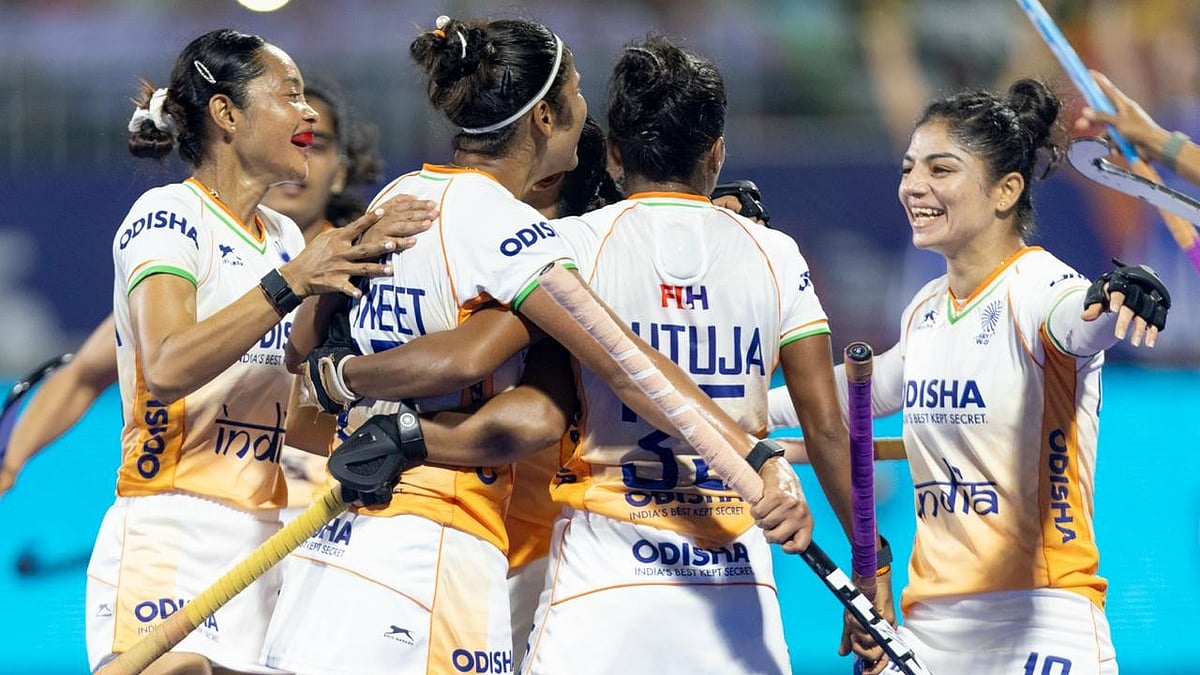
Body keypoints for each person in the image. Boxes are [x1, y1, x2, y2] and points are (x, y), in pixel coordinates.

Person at [263, 16, 812, 675]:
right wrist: (753, 456)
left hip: (341, 546)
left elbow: (304, 344)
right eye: (578, 93)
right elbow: (623, 362)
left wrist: (341, 376)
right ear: (545, 118)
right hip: (433, 555)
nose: (588, 111)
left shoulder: (400, 194)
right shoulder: (508, 227)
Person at [514, 34, 886, 675]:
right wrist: (869, 562)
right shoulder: (775, 253)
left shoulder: (565, 247)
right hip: (734, 591)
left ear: (611, 155)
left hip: (602, 586)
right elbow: (826, 426)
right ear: (716, 152)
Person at [773, 78, 1170, 674]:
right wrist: (730, 403)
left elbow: (1078, 324)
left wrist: (1118, 296)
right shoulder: (927, 309)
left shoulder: (1042, 290)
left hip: (1041, 623)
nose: (913, 187)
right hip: (930, 632)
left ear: (1006, 190)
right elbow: (844, 395)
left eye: (941, 169)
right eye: (909, 168)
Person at [85, 28, 434, 675]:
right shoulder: (166, 217)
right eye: (290, 95)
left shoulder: (277, 235)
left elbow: (291, 416)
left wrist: (396, 432)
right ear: (226, 114)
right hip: (170, 525)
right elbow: (163, 368)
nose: (307, 113)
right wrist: (294, 282)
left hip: (264, 540)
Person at [0, 75, 386, 509]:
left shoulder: (365, 274)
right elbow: (87, 375)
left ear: (342, 173)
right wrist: (9, 467)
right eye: (287, 130)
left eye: (317, 143)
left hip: (322, 519)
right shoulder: (190, 250)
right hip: (210, 513)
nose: (301, 148)